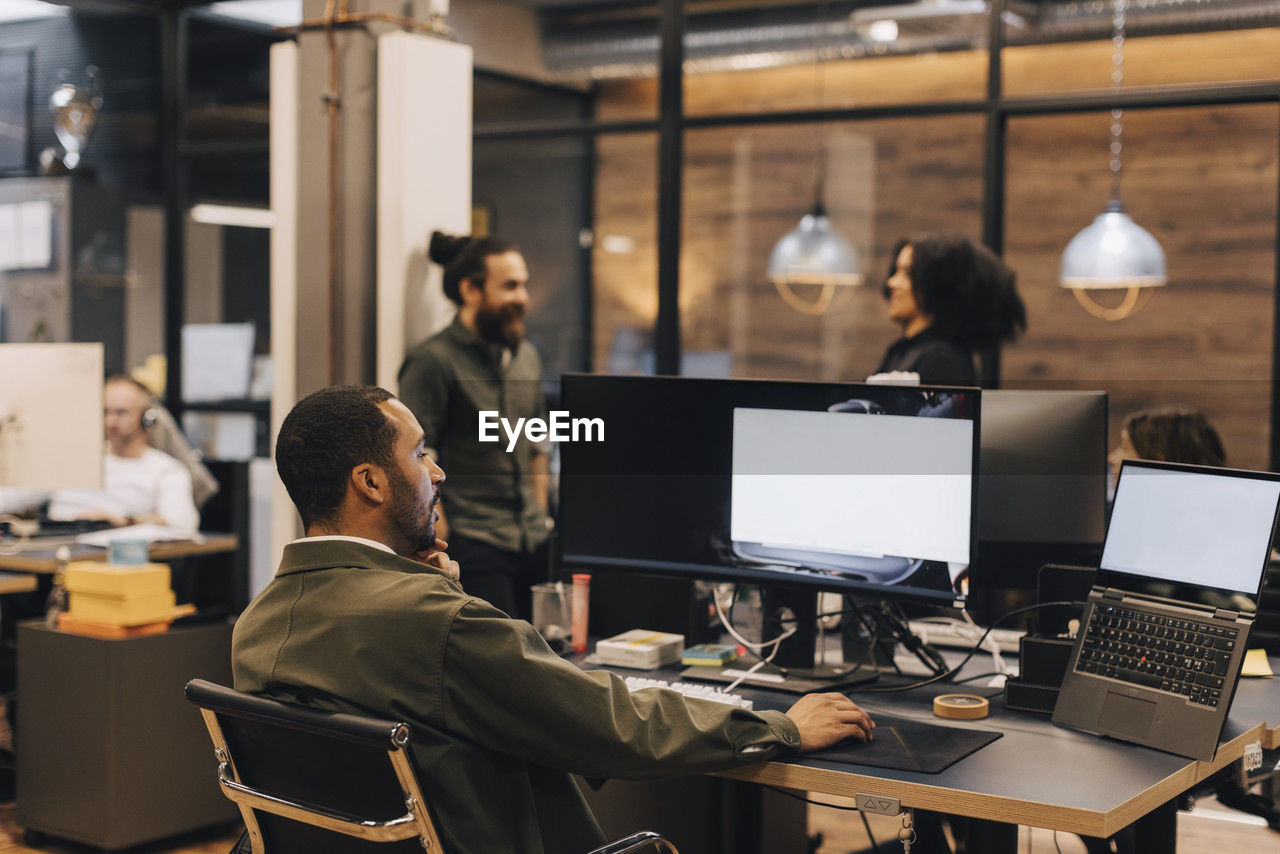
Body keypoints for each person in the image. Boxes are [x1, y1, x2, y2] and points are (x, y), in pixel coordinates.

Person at [232, 384, 875, 854]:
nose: (438, 471)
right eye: (420, 454)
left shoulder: (258, 626)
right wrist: (779, 726)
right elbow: (612, 725)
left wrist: (420, 584)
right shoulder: (434, 622)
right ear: (371, 482)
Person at [397, 231, 550, 621]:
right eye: (511, 286)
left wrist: (541, 514)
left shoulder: (527, 357)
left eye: (524, 285)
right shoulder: (433, 362)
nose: (523, 297)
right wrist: (443, 547)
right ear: (471, 289)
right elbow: (417, 459)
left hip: (533, 538)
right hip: (476, 543)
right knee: (505, 667)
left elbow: (537, 443)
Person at [1, 376, 199, 530]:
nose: (110, 422)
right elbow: (16, 495)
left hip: (113, 560)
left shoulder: (165, 470)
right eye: (105, 412)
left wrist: (122, 520)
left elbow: (183, 525)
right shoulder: (74, 458)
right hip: (55, 550)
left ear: (147, 418)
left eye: (120, 412)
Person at [872, 233, 1027, 386]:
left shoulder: (942, 360)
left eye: (907, 273)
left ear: (936, 285)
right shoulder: (901, 352)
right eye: (896, 271)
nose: (891, 283)